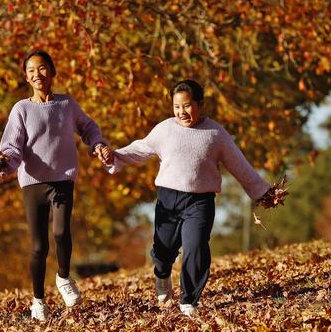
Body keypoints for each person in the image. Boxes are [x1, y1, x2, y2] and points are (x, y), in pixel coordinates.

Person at [100, 80, 279, 316]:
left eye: (187, 106)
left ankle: (188, 300)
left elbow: (239, 165)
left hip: (200, 202)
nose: (181, 112)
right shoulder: (165, 129)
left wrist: (262, 191)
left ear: (200, 104)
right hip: (168, 200)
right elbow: (141, 149)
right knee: (163, 252)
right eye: (176, 107)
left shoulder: (215, 134)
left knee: (196, 247)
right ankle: (162, 275)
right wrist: (114, 155)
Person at [0, 49, 112, 321]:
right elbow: (12, 147)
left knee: (61, 233)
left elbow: (88, 128)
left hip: (63, 178)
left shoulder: (66, 104)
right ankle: (38, 300)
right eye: (31, 71)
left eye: (42, 68)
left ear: (52, 71)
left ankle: (63, 278)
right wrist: (3, 163)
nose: (37, 75)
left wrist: (97, 145)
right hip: (33, 182)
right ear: (26, 77)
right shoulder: (21, 109)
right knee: (39, 246)